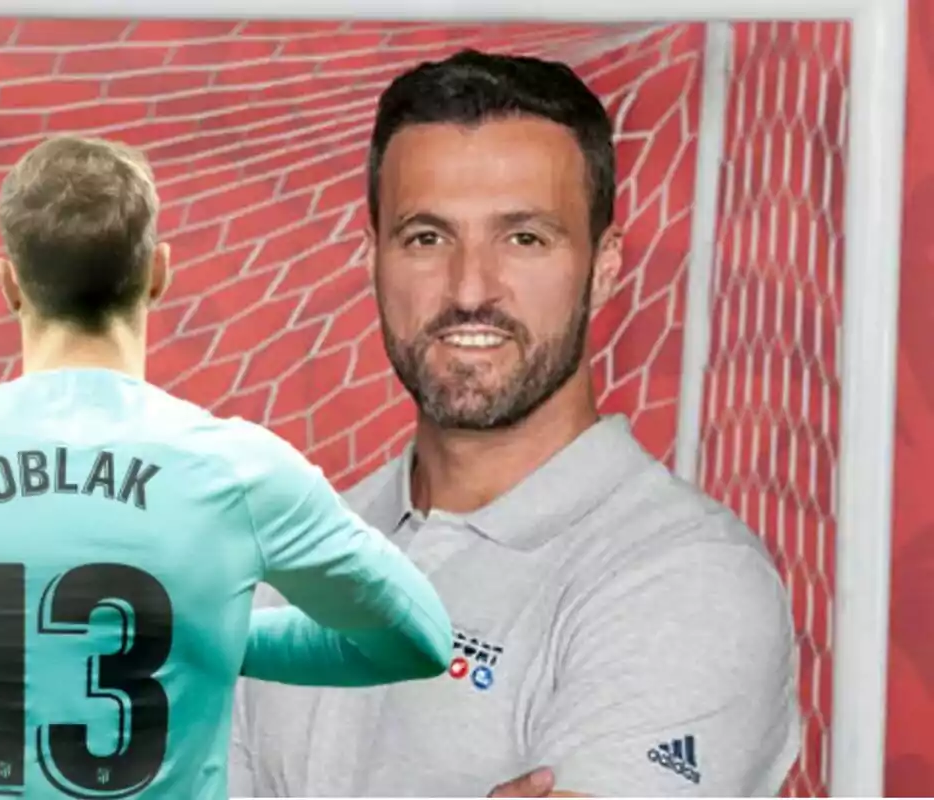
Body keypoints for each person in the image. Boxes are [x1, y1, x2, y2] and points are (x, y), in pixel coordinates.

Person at [0, 135, 456, 799]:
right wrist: (212, 638)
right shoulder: (240, 470)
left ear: (9, 282)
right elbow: (418, 638)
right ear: (158, 272)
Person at [229, 49, 799, 798]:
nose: (471, 288)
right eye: (427, 238)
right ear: (374, 259)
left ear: (603, 265)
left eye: (524, 238)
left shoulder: (688, 583)